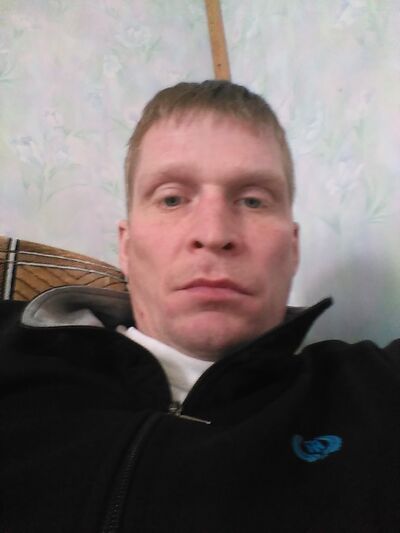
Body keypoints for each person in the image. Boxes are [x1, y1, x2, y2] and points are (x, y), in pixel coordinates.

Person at [1, 80, 399, 532]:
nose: (213, 233)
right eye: (172, 199)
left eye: (253, 200)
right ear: (126, 247)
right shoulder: (12, 355)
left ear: (292, 250)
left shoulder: (375, 393)